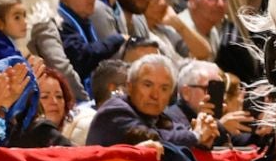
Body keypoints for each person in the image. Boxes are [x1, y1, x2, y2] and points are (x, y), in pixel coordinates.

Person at [85, 53, 218, 149]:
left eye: (164, 88)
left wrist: (205, 136)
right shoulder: (115, 111)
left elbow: (178, 132)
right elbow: (155, 139)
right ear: (130, 87)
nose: (155, 95)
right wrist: (196, 136)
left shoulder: (160, 118)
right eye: (147, 85)